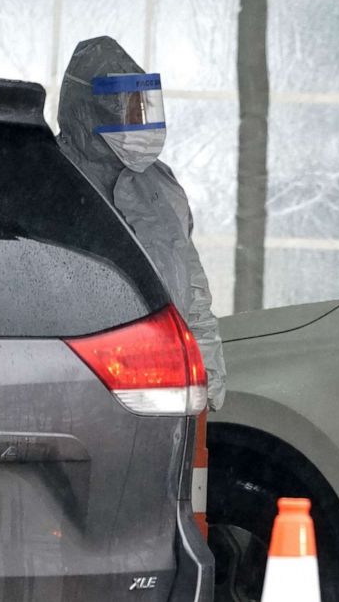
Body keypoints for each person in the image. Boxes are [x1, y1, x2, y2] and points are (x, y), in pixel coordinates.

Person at [56, 37, 226, 410]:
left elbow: (191, 286)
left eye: (144, 107)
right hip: (67, 387)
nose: (141, 121)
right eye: (129, 110)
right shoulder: (47, 179)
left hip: (158, 391)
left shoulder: (160, 186)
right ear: (92, 110)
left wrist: (206, 374)